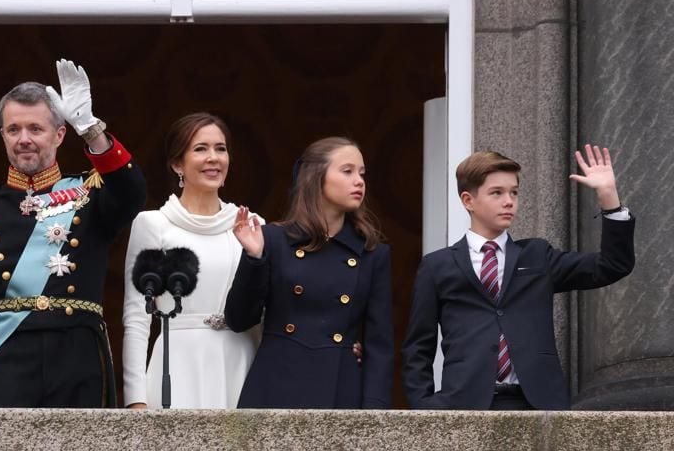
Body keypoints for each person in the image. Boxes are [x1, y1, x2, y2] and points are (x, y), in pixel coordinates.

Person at [0, 60, 146, 408]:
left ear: (60, 134)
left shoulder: (91, 196)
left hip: (79, 361)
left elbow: (133, 193)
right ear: (2, 135)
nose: (24, 139)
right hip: (9, 361)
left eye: (36, 128)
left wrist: (91, 130)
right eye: (13, 129)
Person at [402, 147, 635, 410]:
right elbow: (418, 347)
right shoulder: (437, 266)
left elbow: (612, 265)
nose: (509, 201)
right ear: (468, 200)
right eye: (497, 193)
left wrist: (608, 197)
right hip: (463, 404)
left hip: (536, 403)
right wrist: (425, 409)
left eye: (514, 192)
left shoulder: (537, 255)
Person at [226, 136, 392, 409]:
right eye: (347, 171)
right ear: (316, 177)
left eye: (362, 173)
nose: (359, 181)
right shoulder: (274, 239)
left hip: (341, 388)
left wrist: (375, 413)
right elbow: (239, 319)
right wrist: (254, 258)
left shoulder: (372, 252)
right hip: (276, 385)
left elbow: (380, 346)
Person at [121, 113, 261, 409]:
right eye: (200, 149)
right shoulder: (153, 225)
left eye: (220, 149)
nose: (213, 158)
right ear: (177, 164)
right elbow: (137, 316)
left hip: (241, 362)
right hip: (177, 363)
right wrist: (136, 399)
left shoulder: (252, 225)